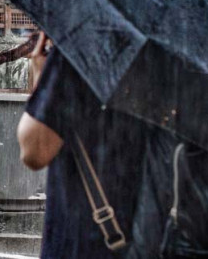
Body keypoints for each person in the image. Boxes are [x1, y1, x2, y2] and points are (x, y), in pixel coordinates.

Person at [17, 34, 149, 258]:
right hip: (153, 234)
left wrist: (41, 77)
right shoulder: (175, 54)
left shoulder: (81, 48)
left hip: (86, 236)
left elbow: (34, 151)